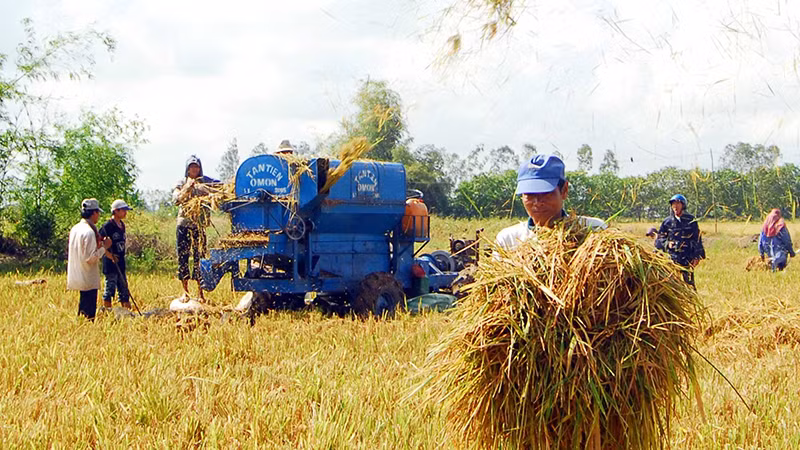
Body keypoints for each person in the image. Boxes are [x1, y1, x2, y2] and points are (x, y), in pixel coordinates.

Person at [496, 154, 606, 251]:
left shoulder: (593, 231)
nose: (538, 202)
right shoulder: (509, 240)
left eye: (545, 193)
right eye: (530, 194)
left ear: (564, 190)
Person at [172, 155, 220, 301]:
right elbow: (175, 199)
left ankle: (200, 293)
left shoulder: (205, 182)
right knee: (183, 257)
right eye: (192, 166)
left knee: (200, 258)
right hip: (184, 224)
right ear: (187, 169)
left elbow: (219, 188)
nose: (194, 169)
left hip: (198, 225)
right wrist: (187, 188)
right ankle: (185, 292)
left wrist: (204, 189)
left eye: (196, 167)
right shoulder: (181, 183)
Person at [67, 198, 112, 320]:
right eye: (98, 213)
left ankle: (82, 327)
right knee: (88, 310)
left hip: (77, 273)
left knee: (83, 305)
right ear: (94, 213)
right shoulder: (89, 232)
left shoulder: (75, 228)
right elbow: (90, 257)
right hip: (87, 275)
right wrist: (104, 247)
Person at [654, 194, 705, 287]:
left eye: (678, 204)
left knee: (689, 285)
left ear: (683, 205)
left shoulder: (691, 220)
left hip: (687, 257)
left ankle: (690, 300)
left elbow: (697, 238)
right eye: (673, 204)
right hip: (672, 258)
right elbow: (659, 239)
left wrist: (697, 256)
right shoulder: (667, 222)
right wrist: (667, 243)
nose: (675, 206)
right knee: (672, 284)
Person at [99, 199, 132, 310]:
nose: (125, 213)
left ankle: (127, 312)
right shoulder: (107, 226)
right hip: (110, 263)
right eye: (123, 210)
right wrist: (109, 255)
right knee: (110, 289)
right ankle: (106, 312)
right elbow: (99, 243)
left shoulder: (122, 225)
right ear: (116, 211)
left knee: (124, 289)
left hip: (121, 262)